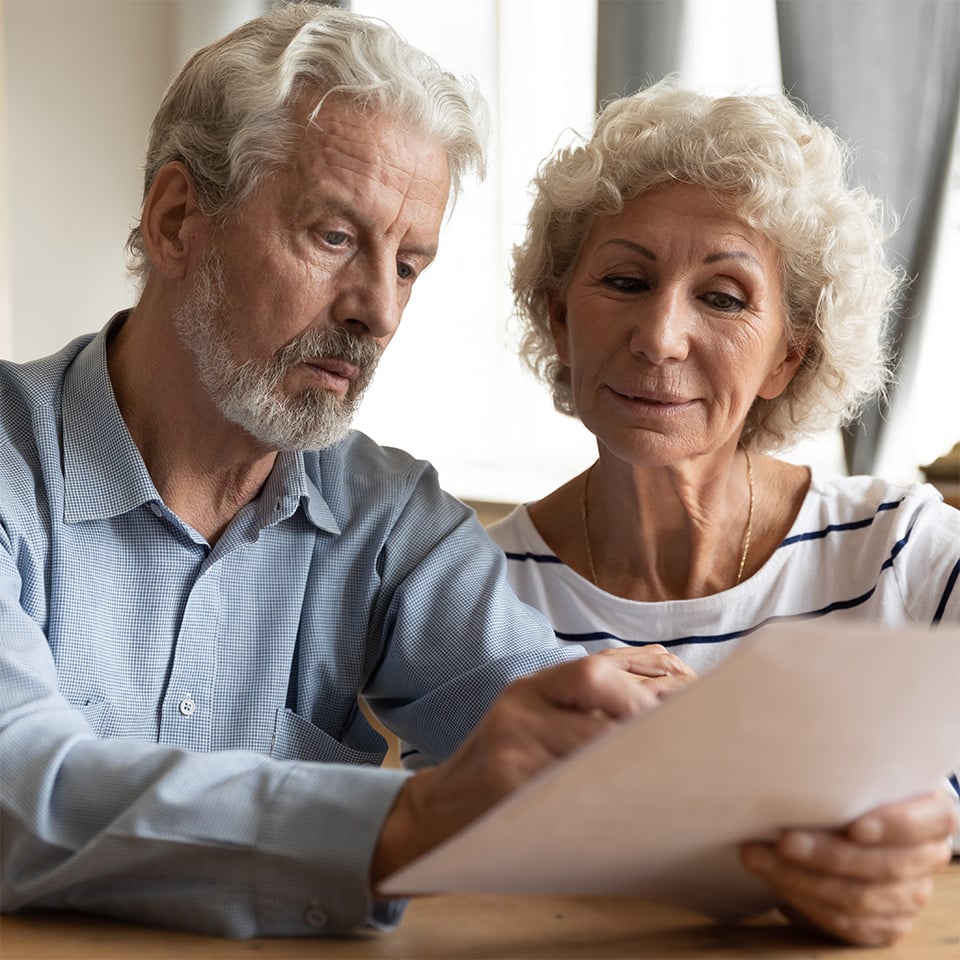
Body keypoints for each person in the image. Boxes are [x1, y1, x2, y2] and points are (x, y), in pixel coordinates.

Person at [0, 4, 948, 946]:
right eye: (334, 237)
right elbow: (15, 788)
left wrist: (824, 845)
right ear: (176, 221)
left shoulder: (390, 521)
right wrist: (408, 818)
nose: (377, 310)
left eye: (408, 264)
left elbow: (571, 732)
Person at [487, 78, 960, 947]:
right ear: (559, 319)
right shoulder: (472, 592)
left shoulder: (907, 554)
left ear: (788, 356)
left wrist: (920, 817)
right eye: (625, 280)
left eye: (724, 296)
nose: (661, 336)